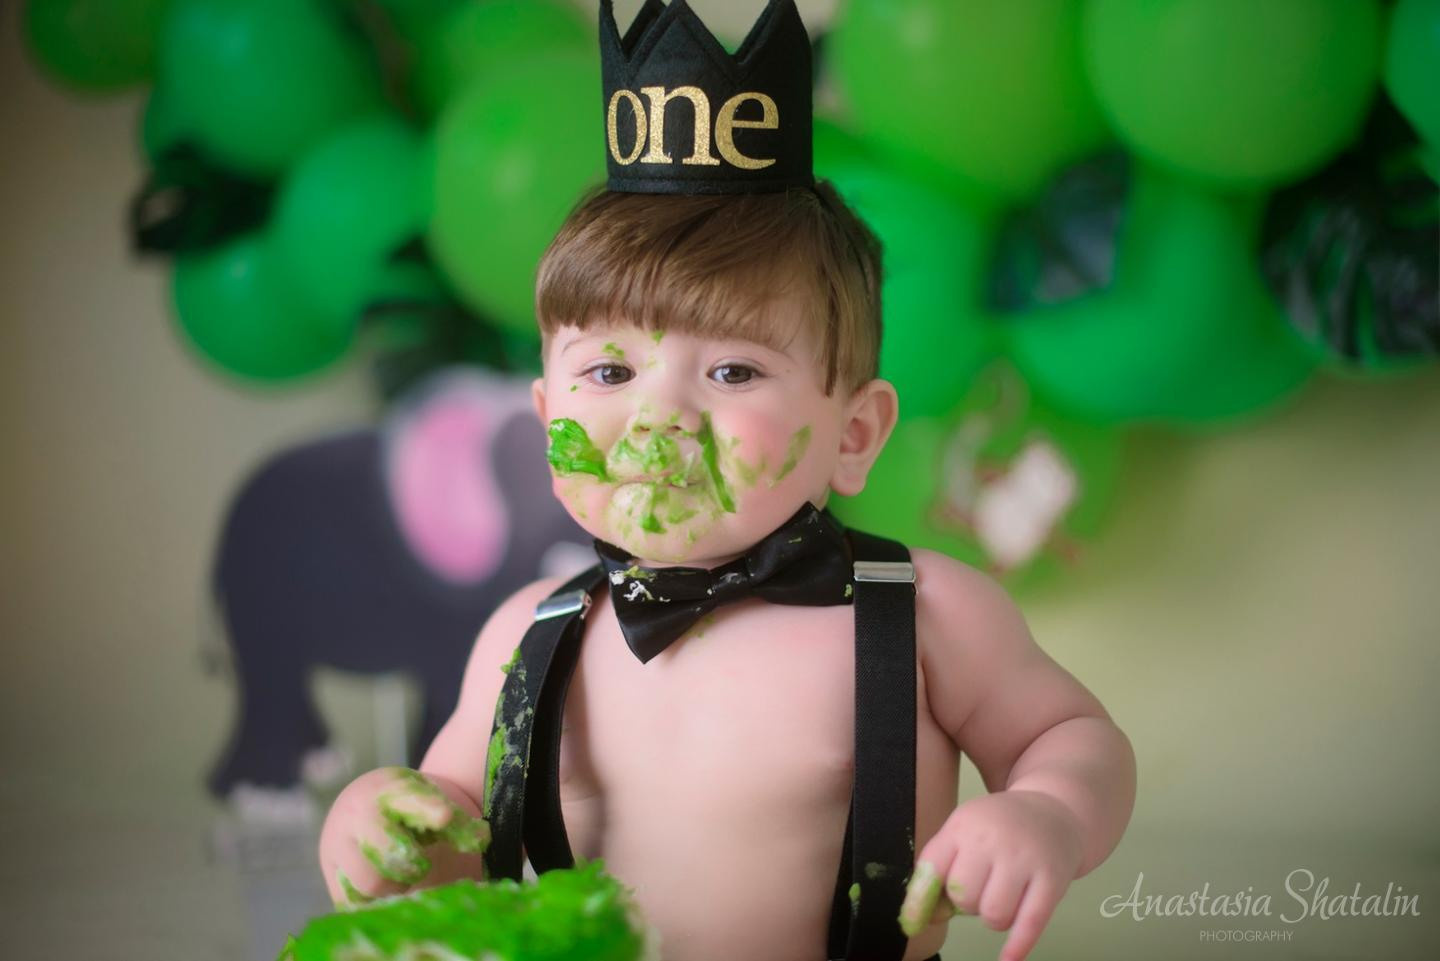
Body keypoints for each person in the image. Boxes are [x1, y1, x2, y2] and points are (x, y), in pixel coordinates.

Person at [318, 3, 1135, 960]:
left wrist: (1048, 809)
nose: (658, 416)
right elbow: (455, 835)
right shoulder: (527, 638)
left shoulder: (926, 613)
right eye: (610, 371)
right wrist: (377, 829)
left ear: (854, 434)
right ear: (545, 416)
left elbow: (1071, 735)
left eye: (734, 371)